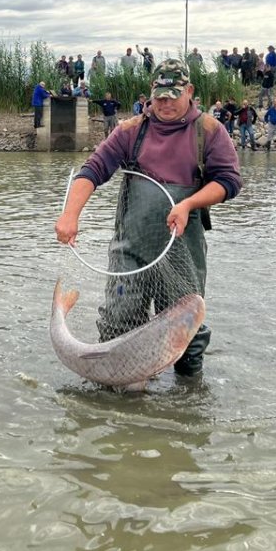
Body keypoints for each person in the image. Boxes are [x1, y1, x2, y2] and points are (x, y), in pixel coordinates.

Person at [55, 59, 242, 376]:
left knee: (187, 333)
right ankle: (120, 398)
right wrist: (70, 215)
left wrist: (187, 204)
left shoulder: (209, 130)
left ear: (190, 92)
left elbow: (229, 182)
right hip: (131, 247)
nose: (166, 104)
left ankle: (188, 399)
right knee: (119, 320)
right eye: (159, 98)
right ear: (150, 95)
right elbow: (92, 171)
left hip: (182, 248)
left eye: (173, 96)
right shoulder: (130, 131)